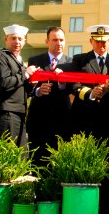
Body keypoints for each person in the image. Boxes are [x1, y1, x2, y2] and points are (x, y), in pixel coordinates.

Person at [68, 24, 109, 214]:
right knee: (84, 159)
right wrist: (91, 93)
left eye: (105, 41)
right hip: (84, 118)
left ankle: (105, 204)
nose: (101, 44)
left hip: (107, 119)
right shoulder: (80, 60)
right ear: (91, 41)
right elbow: (74, 84)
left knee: (106, 161)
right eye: (98, 41)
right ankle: (83, 202)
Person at [26, 26, 72, 166]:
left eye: (61, 40)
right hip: (39, 120)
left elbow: (74, 88)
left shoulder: (71, 62)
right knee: (37, 162)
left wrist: (62, 83)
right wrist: (38, 91)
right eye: (55, 40)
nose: (59, 43)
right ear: (47, 41)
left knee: (61, 163)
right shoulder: (35, 60)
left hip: (62, 119)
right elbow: (28, 87)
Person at [0, 24, 38, 147]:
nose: (17, 42)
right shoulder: (1, 58)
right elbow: (4, 83)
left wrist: (31, 84)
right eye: (13, 38)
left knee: (20, 155)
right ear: (6, 39)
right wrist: (25, 74)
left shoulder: (19, 61)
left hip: (19, 112)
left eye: (20, 39)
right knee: (7, 153)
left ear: (24, 42)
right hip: (6, 113)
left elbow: (21, 90)